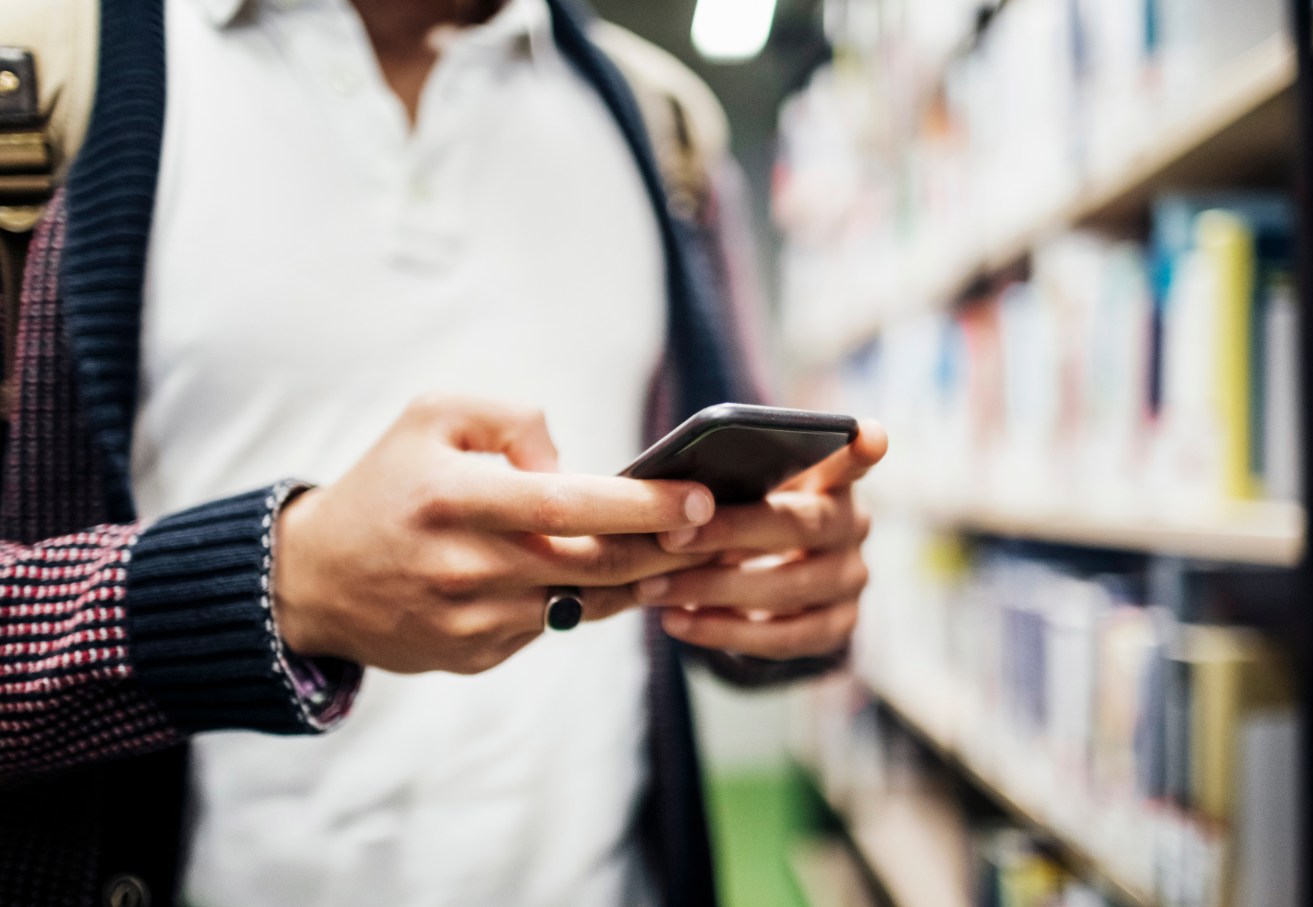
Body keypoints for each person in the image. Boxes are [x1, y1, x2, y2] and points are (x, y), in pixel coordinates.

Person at [0, 0, 885, 904]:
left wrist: (784, 603)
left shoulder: (658, 126)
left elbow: (718, 546)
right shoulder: (44, 77)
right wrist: (278, 586)